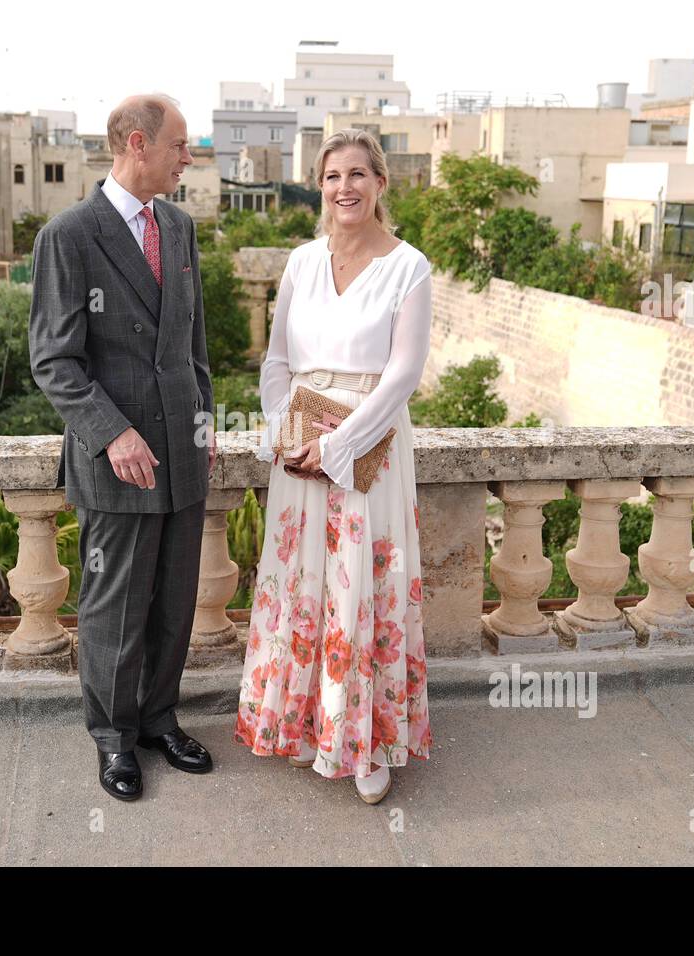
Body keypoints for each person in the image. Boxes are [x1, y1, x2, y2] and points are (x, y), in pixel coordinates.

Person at [233, 128, 433, 804]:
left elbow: (403, 373)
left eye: (357, 174)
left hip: (369, 446)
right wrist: (281, 431)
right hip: (298, 441)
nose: (344, 187)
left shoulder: (410, 267)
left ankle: (366, 746)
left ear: (380, 183)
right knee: (302, 583)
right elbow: (276, 361)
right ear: (319, 187)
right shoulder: (300, 261)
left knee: (360, 587)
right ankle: (304, 724)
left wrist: (340, 444)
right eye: (331, 176)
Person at [29, 93, 216, 802]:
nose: (187, 157)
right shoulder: (70, 235)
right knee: (114, 607)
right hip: (119, 461)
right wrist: (113, 434)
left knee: (174, 600)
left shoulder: (180, 227)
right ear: (138, 144)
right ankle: (113, 738)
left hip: (182, 450)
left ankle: (160, 720)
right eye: (178, 144)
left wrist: (204, 423)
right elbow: (54, 360)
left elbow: (191, 343)